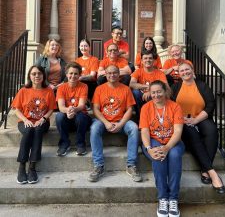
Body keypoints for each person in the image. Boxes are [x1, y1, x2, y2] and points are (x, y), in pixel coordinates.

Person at [171, 62, 225, 194]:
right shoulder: (175, 87)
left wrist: (195, 120)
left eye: (187, 70)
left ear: (192, 70)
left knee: (212, 131)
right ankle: (211, 172)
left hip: (200, 117)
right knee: (192, 135)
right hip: (181, 120)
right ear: (179, 73)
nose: (184, 72)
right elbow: (171, 106)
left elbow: (210, 104)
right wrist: (182, 119)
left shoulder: (202, 85)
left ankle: (204, 170)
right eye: (181, 71)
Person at [88, 65, 142, 183]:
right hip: (103, 121)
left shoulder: (125, 89)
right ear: (105, 75)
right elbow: (96, 109)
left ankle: (131, 165)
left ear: (119, 74)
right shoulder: (99, 89)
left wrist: (121, 124)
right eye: (109, 73)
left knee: (133, 128)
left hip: (120, 121)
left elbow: (129, 110)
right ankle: (98, 165)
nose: (112, 75)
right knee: (94, 128)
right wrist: (107, 123)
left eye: (114, 73)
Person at [140, 80, 184, 217]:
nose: (156, 95)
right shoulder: (146, 108)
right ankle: (163, 198)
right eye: (153, 92)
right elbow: (145, 131)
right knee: (158, 157)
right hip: (153, 141)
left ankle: (173, 199)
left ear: (165, 91)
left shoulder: (175, 106)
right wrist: (149, 148)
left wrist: (167, 147)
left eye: (159, 91)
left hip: (173, 141)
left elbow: (177, 131)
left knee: (175, 155)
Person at [11, 65, 56, 185]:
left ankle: (32, 167)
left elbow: (51, 109)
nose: (37, 76)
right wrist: (25, 120)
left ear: (43, 76)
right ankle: (22, 166)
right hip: (25, 121)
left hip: (42, 122)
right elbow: (16, 109)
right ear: (29, 76)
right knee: (29, 130)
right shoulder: (23, 91)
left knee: (37, 129)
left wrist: (43, 118)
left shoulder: (48, 91)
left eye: (39, 73)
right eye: (34, 74)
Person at [55, 62, 92, 156]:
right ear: (67, 74)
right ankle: (64, 143)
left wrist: (73, 110)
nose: (73, 76)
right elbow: (61, 107)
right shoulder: (61, 88)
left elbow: (81, 105)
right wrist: (68, 111)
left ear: (79, 75)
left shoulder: (84, 86)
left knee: (81, 116)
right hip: (67, 117)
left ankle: (80, 144)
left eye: (76, 73)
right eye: (71, 73)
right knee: (59, 116)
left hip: (80, 118)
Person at [130, 50, 167, 118]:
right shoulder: (138, 71)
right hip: (141, 97)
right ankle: (140, 117)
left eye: (150, 58)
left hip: (155, 96)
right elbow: (132, 84)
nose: (148, 60)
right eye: (145, 58)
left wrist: (151, 91)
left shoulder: (159, 73)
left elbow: (165, 86)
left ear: (154, 61)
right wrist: (147, 87)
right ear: (141, 61)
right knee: (135, 92)